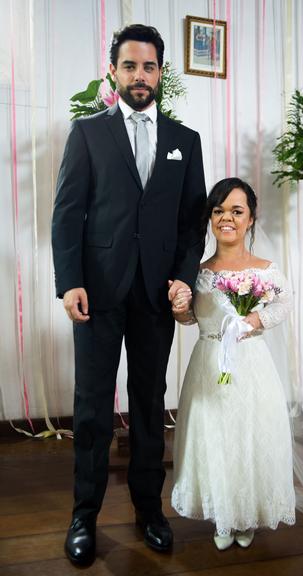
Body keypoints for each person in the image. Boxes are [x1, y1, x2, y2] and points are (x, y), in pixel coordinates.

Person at [51, 24, 206, 566]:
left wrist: (184, 279)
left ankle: (149, 510)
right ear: (114, 71)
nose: (140, 76)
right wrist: (68, 281)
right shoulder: (87, 132)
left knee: (147, 405)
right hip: (96, 291)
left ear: (161, 72)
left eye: (150, 67)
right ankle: (83, 516)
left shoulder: (187, 142)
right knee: (92, 408)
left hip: (155, 295)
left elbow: (192, 226)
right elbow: (67, 213)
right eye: (130, 66)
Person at [171, 177, 303, 550]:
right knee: (215, 438)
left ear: (251, 218)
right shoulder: (199, 270)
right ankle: (223, 514)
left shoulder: (264, 270)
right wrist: (180, 310)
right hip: (209, 364)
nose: (226, 219)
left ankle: (247, 515)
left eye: (236, 211)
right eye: (219, 211)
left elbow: (283, 303)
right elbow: (190, 318)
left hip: (252, 364)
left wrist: (252, 321)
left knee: (250, 438)